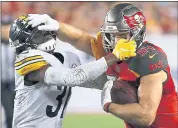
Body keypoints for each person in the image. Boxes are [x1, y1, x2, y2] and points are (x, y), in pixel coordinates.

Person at [28, 3, 178, 128]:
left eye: (121, 35)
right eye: (112, 35)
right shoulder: (113, 50)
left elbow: (146, 116)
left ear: (136, 35)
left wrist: (108, 106)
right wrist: (56, 26)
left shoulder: (149, 59)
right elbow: (81, 39)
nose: (114, 41)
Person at [9, 15, 136, 128]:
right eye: (38, 36)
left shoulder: (66, 58)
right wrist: (114, 56)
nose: (45, 37)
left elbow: (95, 81)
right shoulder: (26, 59)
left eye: (45, 32)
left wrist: (128, 76)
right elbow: (72, 77)